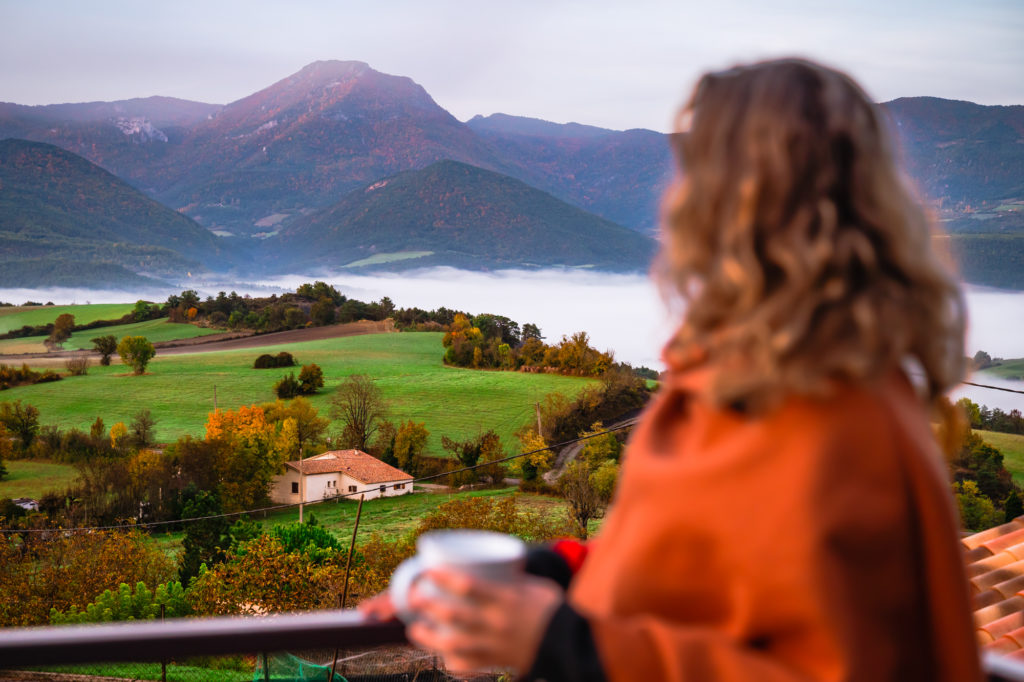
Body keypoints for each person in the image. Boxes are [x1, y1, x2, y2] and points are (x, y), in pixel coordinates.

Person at [361, 58, 983, 681]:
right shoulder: (759, 382)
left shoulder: (835, 418)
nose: (676, 196)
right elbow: (700, 570)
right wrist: (539, 572)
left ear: (737, 204)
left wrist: (560, 642)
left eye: (696, 172)